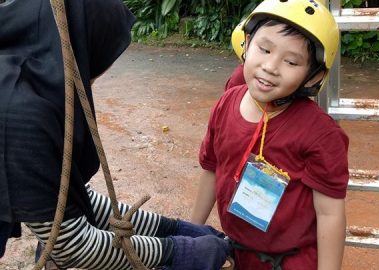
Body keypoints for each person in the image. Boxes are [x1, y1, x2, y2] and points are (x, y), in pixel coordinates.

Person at [0, 0, 230, 269]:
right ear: (85, 46)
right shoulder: (21, 113)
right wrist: (178, 251)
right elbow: (72, 247)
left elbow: (75, 202)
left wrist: (170, 228)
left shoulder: (32, 82)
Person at [191, 0, 349, 269]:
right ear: (247, 42)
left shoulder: (321, 135)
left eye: (290, 61)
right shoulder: (226, 103)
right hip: (237, 253)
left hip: (291, 261)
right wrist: (190, 235)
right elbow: (211, 170)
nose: (271, 66)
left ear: (312, 77)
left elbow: (330, 213)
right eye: (264, 49)